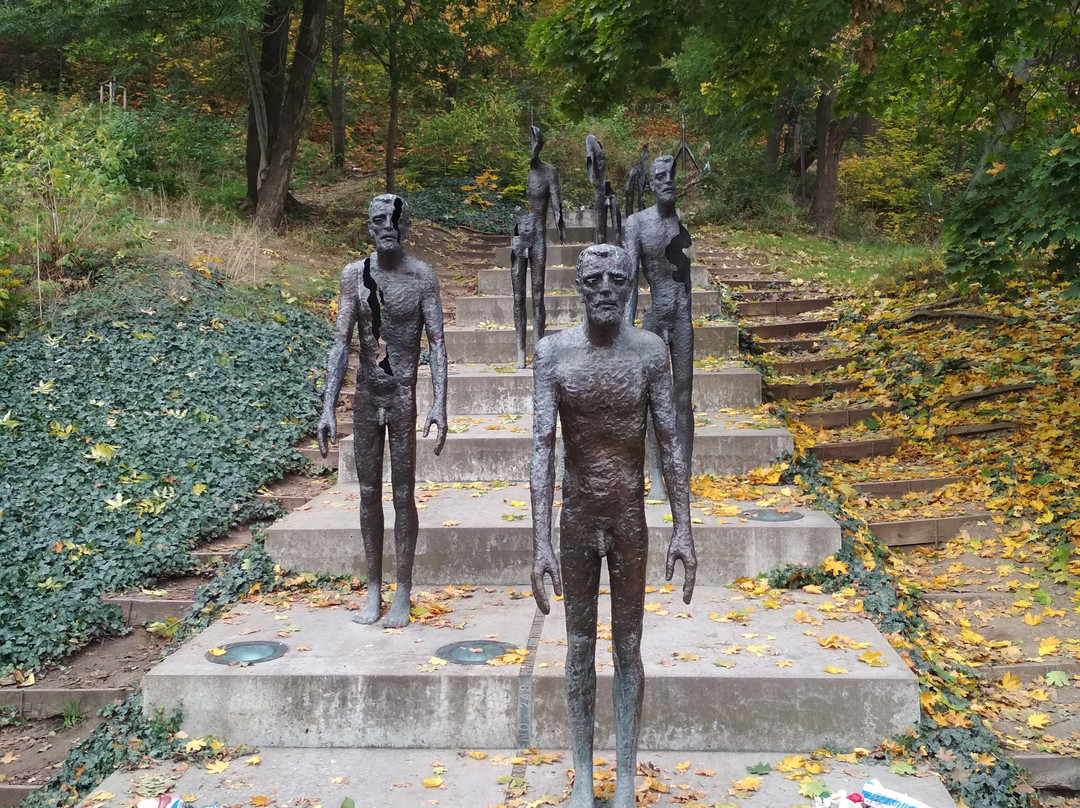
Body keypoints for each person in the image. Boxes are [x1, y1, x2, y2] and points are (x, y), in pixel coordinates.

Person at [530, 244, 696, 808]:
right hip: (577, 518)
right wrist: (540, 544)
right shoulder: (553, 353)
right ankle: (582, 772)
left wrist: (684, 528)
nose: (606, 288)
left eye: (617, 279)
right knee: (578, 648)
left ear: (631, 287)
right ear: (579, 286)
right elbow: (541, 451)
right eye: (595, 278)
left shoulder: (650, 353)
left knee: (628, 647)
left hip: (628, 518)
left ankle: (624, 778)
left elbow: (671, 444)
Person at [317, 194, 448, 628]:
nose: (387, 226)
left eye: (394, 219)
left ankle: (403, 590)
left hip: (403, 396)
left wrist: (440, 402)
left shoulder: (422, 277)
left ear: (405, 224)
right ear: (369, 226)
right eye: (378, 220)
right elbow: (341, 343)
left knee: (404, 494)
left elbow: (438, 344)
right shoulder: (354, 275)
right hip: (367, 394)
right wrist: (328, 406)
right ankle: (374, 587)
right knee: (369, 493)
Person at [623, 155, 694, 490]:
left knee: (682, 396)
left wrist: (689, 316)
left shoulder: (680, 225)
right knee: (655, 399)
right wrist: (625, 332)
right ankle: (655, 476)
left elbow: (687, 280)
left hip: (681, 316)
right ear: (651, 184)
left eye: (671, 176)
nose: (668, 182)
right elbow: (630, 283)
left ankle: (683, 478)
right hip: (654, 318)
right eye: (661, 177)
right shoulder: (636, 224)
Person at [510, 126, 566, 368]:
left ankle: (539, 347)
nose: (531, 147)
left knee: (537, 294)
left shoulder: (548, 172)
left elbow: (556, 201)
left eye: (534, 142)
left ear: (539, 144)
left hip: (539, 237)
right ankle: (521, 351)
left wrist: (561, 223)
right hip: (519, 236)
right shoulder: (519, 173)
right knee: (518, 296)